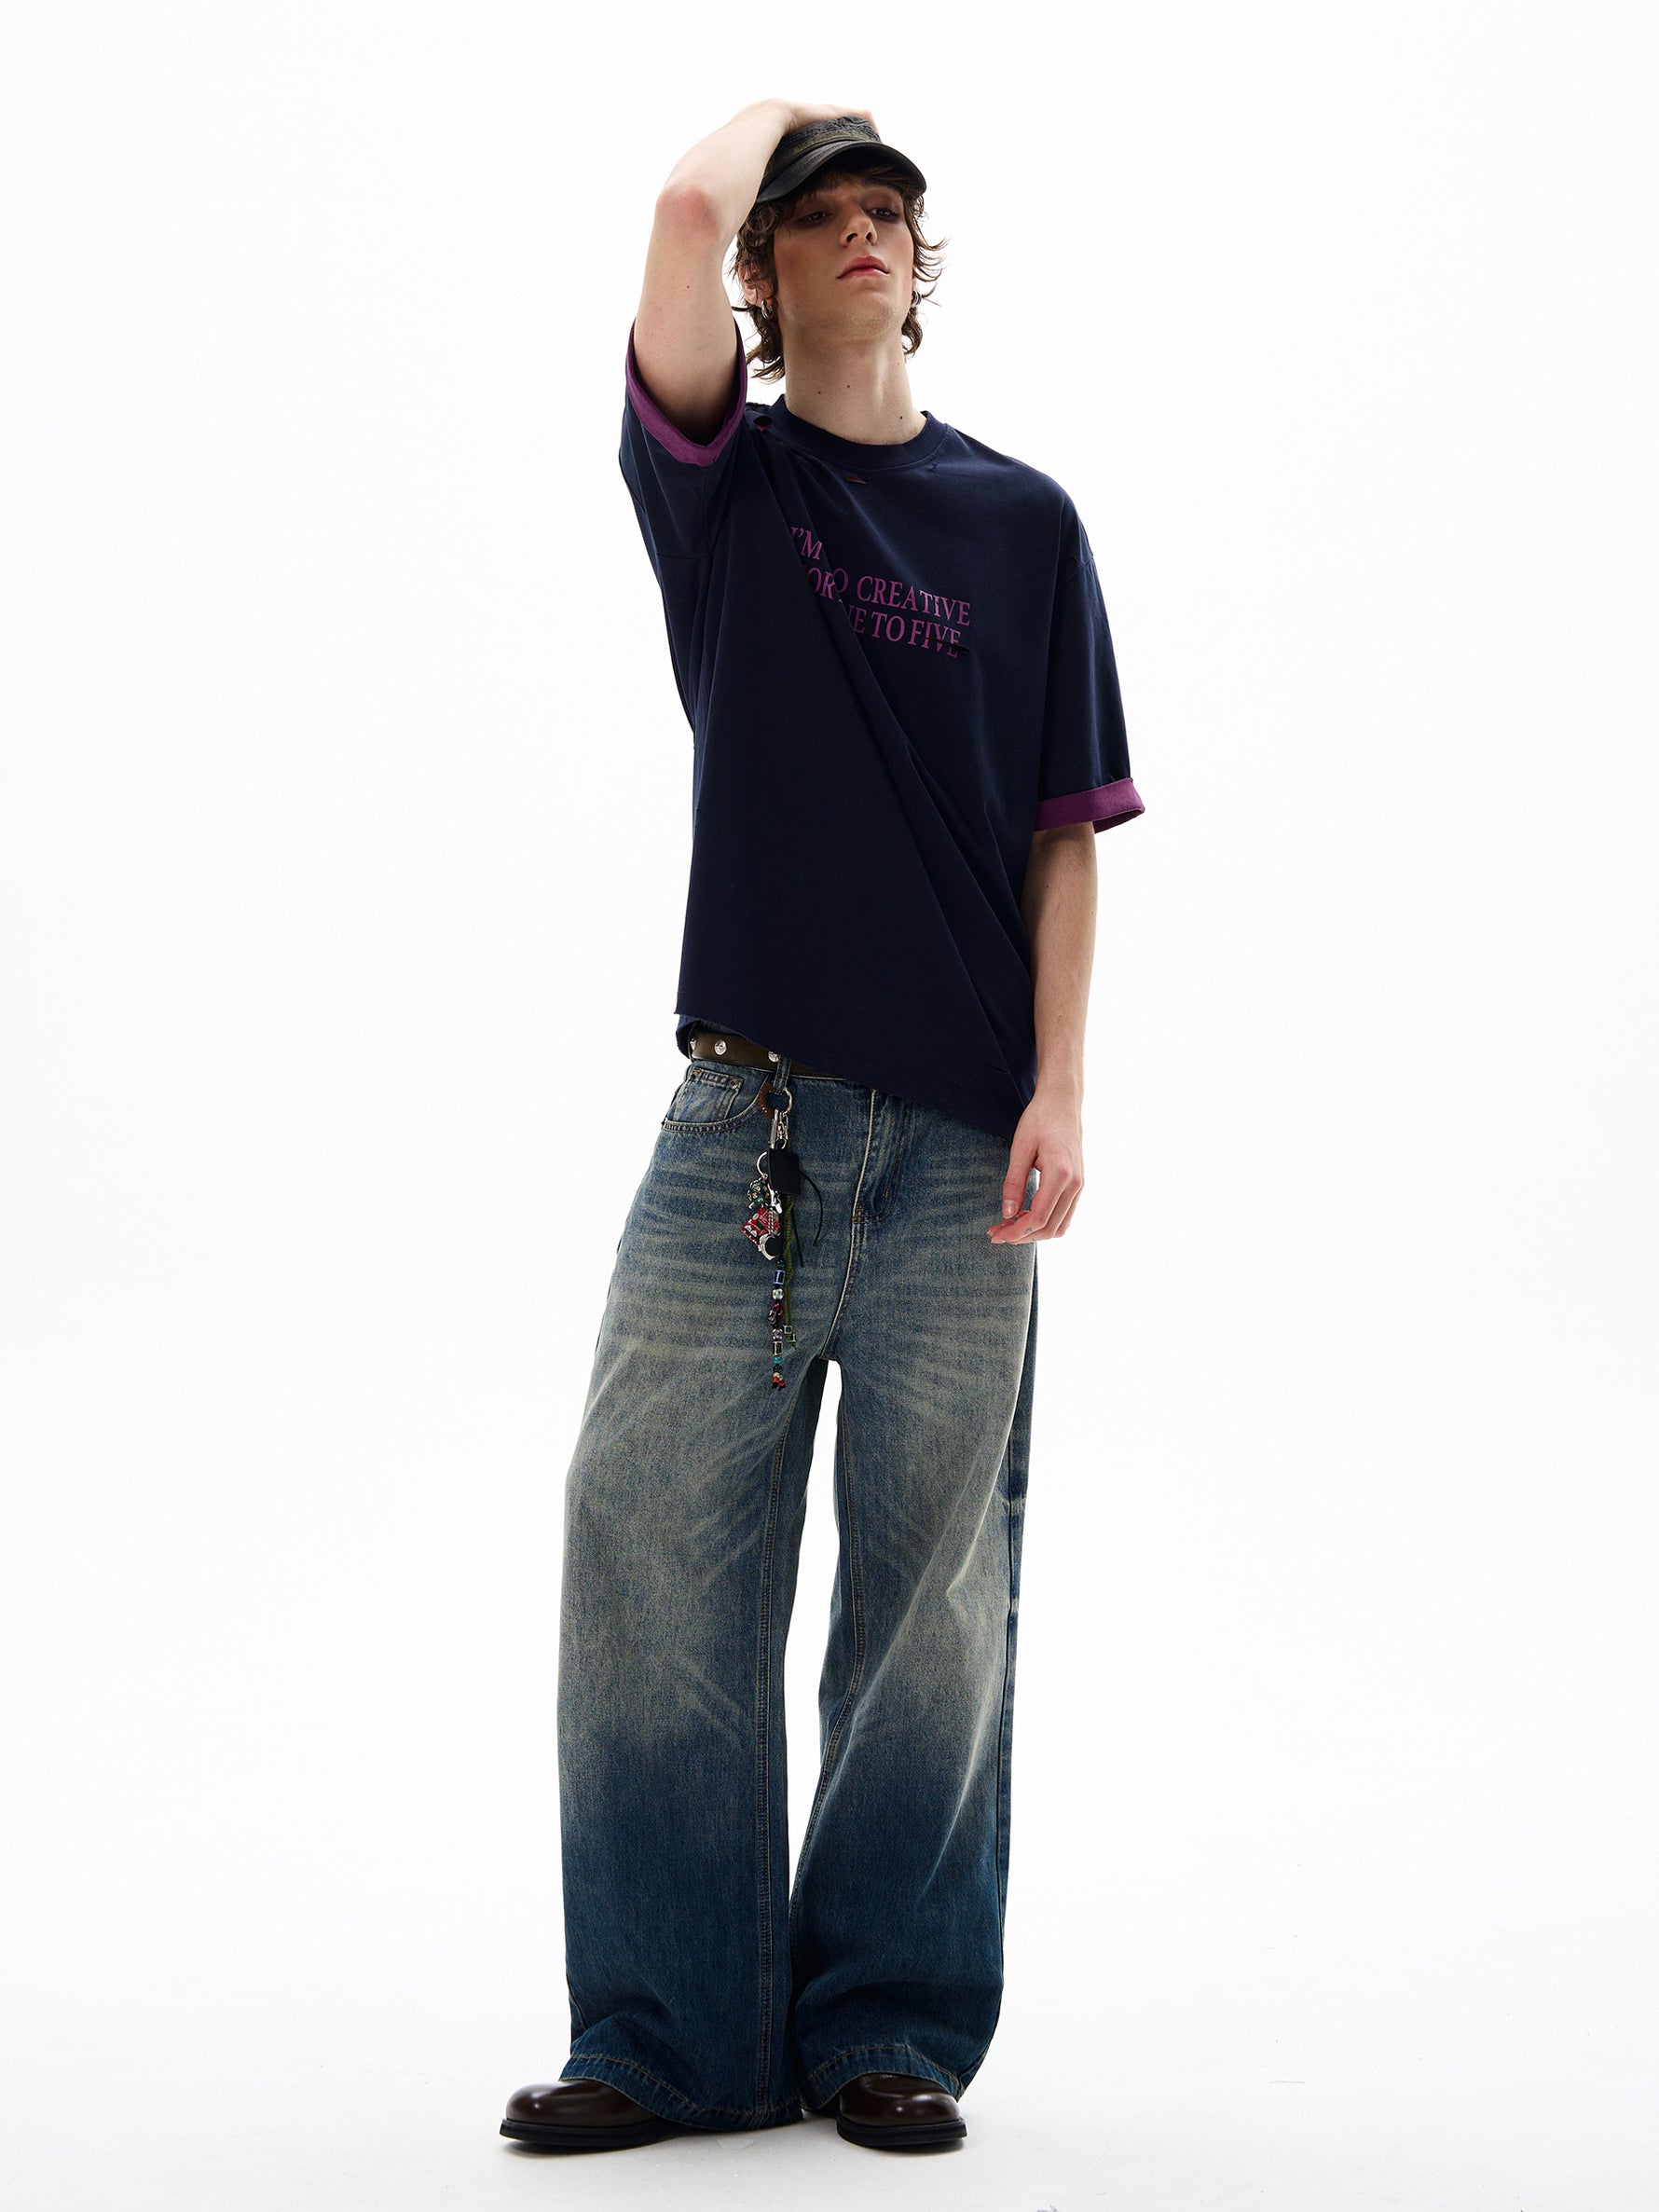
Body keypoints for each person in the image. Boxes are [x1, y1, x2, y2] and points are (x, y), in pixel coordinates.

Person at [499, 99, 1144, 2159]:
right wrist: (792, 126)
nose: (864, 231)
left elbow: (1061, 837)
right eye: (826, 215)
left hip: (964, 1149)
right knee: (646, 1554)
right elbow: (683, 198)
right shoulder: (728, 493)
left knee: (931, 1606)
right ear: (765, 278)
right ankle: (672, 2033)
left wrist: (1060, 1086)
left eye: (891, 210)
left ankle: (886, 2025)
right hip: (745, 1131)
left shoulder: (1025, 526)